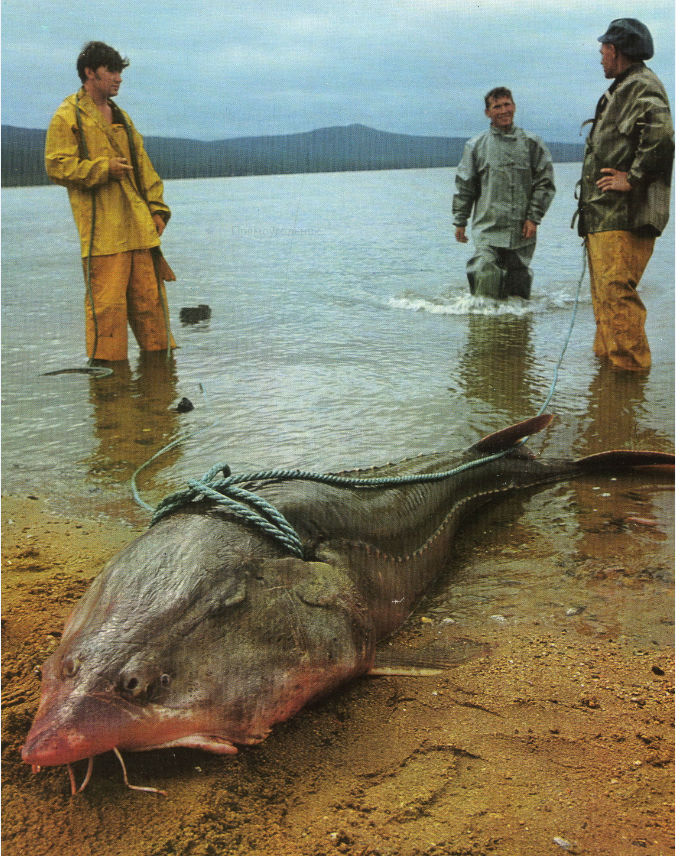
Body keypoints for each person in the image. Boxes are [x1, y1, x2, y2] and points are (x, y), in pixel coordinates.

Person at [45, 41, 176, 362]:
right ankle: (107, 387)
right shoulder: (68, 115)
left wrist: (158, 209)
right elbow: (56, 165)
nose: (118, 78)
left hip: (139, 230)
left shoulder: (122, 118)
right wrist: (104, 168)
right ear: (90, 72)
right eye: (111, 71)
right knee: (106, 311)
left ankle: (159, 390)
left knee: (151, 307)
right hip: (103, 235)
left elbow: (144, 168)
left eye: (119, 72)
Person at [576, 19, 674, 371]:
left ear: (615, 51)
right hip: (604, 218)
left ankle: (629, 394)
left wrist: (631, 179)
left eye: (603, 49)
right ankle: (610, 397)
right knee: (607, 304)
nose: (600, 56)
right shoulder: (623, 87)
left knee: (617, 301)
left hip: (623, 217)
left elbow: (662, 136)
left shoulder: (641, 85)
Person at [453, 88, 555, 300]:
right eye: (497, 106)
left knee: (517, 296)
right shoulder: (475, 146)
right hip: (487, 228)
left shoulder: (532, 143)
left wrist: (533, 218)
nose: (503, 110)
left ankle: (515, 332)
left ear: (514, 107)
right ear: (487, 113)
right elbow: (465, 186)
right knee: (484, 272)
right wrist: (460, 221)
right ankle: (481, 328)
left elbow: (545, 183)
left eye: (507, 104)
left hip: (521, 231)